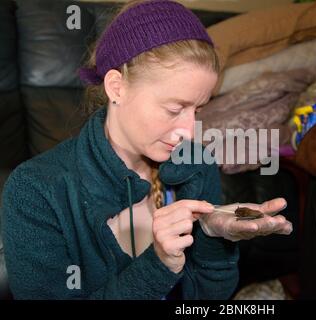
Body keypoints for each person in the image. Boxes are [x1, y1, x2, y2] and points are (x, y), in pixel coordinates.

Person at [1, 0, 292, 300]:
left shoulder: (195, 164)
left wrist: (212, 237)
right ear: (117, 87)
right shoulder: (35, 191)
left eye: (198, 110)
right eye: (174, 108)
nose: (189, 132)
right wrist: (159, 264)